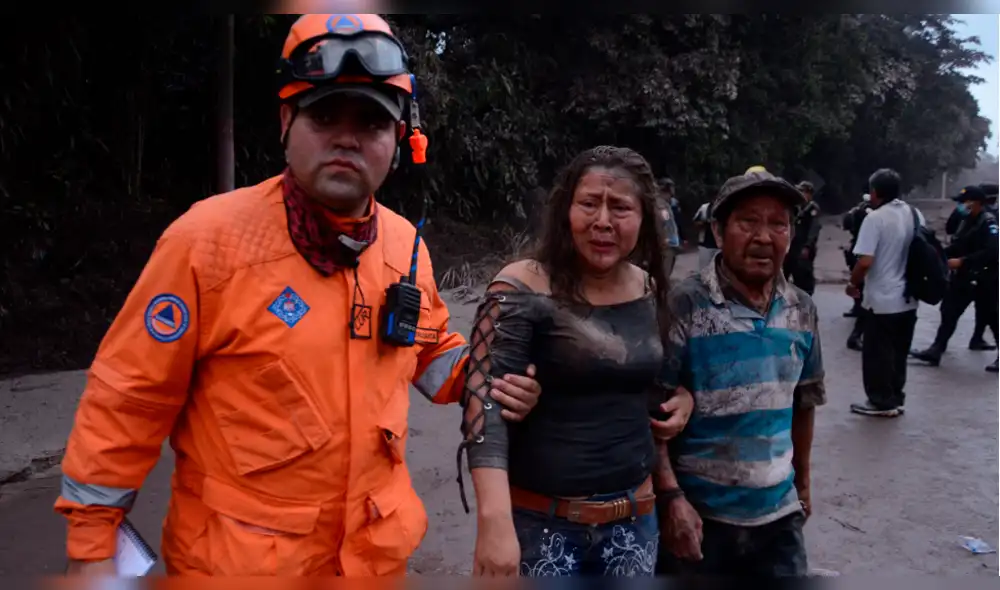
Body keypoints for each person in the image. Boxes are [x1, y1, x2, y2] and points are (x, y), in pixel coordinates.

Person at [55, 14, 544, 577]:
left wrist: (499, 373)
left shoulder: (403, 246)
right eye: (324, 114)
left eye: (370, 121)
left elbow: (433, 356)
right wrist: (92, 553)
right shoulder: (206, 243)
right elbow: (127, 401)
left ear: (401, 140)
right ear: (286, 121)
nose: (346, 137)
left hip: (372, 564)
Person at [458, 146, 696, 577]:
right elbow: (483, 405)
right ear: (566, 210)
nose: (603, 220)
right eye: (589, 203)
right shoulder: (520, 286)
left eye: (620, 207)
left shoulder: (648, 288)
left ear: (644, 219)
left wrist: (682, 399)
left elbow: (640, 376)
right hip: (542, 525)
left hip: (635, 522)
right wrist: (493, 523)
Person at [653, 168, 825, 577]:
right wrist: (672, 498)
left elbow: (805, 402)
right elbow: (653, 410)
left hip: (779, 520)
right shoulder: (684, 304)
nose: (763, 237)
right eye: (748, 221)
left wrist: (802, 483)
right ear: (717, 229)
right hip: (701, 517)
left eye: (778, 224)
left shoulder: (802, 309)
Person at [847, 169, 924, 418]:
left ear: (875, 192)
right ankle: (896, 397)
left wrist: (853, 283)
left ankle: (880, 401)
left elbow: (865, 260)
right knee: (899, 352)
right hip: (909, 297)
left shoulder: (876, 218)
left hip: (882, 299)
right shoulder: (915, 214)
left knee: (877, 353)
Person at [910, 185, 999, 372]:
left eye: (964, 202)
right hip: (964, 277)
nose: (960, 205)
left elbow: (992, 251)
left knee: (993, 316)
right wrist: (940, 254)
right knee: (949, 312)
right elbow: (959, 244)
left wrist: (963, 262)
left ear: (976, 203)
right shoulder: (965, 220)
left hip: (985, 278)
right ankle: (936, 350)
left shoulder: (989, 222)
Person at [842, 193, 872, 350]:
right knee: (864, 294)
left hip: (859, 250)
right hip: (862, 251)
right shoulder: (871, 215)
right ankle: (856, 334)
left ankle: (856, 333)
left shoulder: (863, 212)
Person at [783, 181, 821, 295]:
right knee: (785, 273)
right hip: (792, 246)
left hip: (803, 247)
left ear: (809, 193)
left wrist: (807, 246)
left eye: (802, 191)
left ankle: (805, 300)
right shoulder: (795, 208)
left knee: (803, 275)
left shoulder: (812, 209)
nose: (799, 193)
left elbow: (814, 229)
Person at [656, 177, 682, 278]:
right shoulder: (660, 205)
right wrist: (665, 242)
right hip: (666, 246)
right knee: (663, 275)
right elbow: (663, 223)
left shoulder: (667, 204)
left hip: (670, 244)